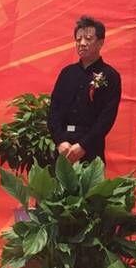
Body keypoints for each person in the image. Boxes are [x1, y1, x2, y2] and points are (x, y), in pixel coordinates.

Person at [49, 16, 123, 164]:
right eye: (78, 39)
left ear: (100, 42)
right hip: (63, 147)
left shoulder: (110, 75)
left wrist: (84, 145)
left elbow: (106, 117)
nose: (82, 43)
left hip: (91, 147)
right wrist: (60, 141)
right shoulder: (67, 73)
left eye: (88, 39)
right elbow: (53, 110)